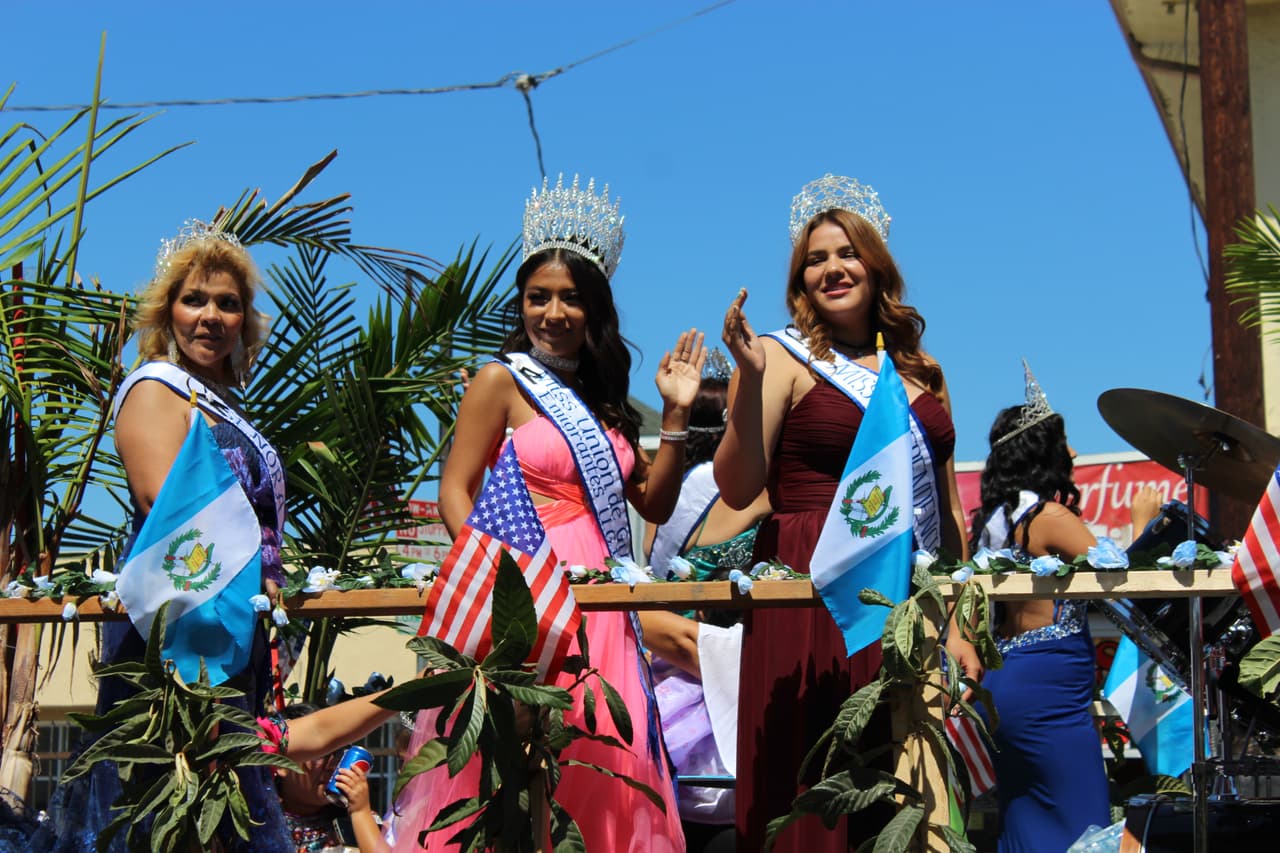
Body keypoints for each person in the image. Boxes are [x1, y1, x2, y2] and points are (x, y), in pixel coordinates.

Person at [393, 175, 696, 852]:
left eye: (571, 298)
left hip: (603, 609)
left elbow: (654, 502)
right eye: (539, 297)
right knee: (509, 775)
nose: (553, 312)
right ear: (522, 304)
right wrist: (498, 581)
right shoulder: (501, 379)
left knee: (598, 763)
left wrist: (675, 414)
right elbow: (456, 489)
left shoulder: (603, 402)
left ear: (594, 310)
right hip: (527, 593)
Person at [714, 174, 978, 851]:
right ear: (801, 280)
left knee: (912, 792)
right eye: (815, 258)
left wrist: (960, 620)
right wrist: (745, 378)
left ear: (876, 263)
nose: (832, 267)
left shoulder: (924, 369)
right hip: (814, 579)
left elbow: (946, 509)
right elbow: (739, 486)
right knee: (819, 782)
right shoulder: (779, 354)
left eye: (846, 252)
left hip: (907, 583)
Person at [23, 221, 302, 852]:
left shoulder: (221, 403)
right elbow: (164, 508)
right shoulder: (155, 389)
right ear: (167, 310)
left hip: (232, 615)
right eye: (194, 300)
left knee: (221, 799)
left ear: (245, 320)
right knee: (162, 798)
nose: (211, 316)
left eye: (228, 303)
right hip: (179, 611)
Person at [969, 366, 1110, 853]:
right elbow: (1120, 577)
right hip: (1050, 693)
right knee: (1083, 826)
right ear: (1042, 453)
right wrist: (1143, 522)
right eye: (1064, 443)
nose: (1072, 453)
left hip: (1005, 684)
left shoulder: (993, 524)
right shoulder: (1050, 518)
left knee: (1024, 823)